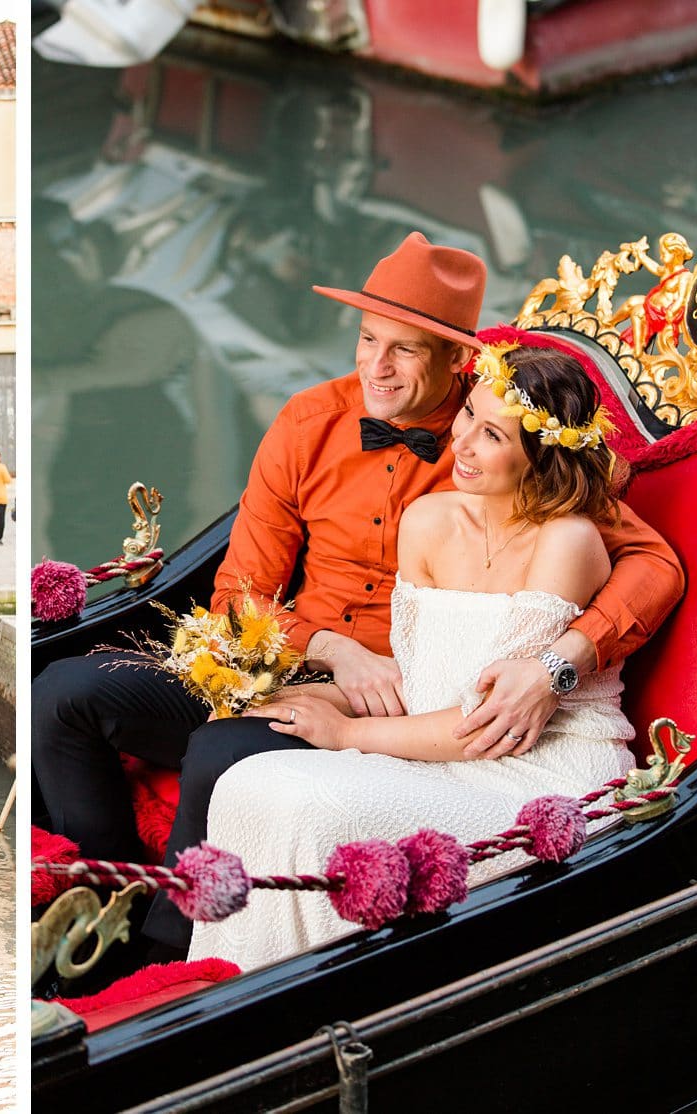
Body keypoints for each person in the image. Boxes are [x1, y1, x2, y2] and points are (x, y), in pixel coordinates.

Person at [31, 232, 684, 960]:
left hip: (403, 696)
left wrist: (560, 662)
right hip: (284, 656)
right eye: (369, 339)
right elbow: (239, 594)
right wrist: (332, 651)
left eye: (405, 350)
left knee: (223, 754)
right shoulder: (308, 424)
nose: (378, 366)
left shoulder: (506, 449)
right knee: (63, 691)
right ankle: (105, 900)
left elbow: (653, 565)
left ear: (459, 363)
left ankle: (157, 957)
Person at [192, 329, 661, 967]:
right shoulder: (429, 520)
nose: (461, 442)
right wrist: (306, 696)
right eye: (469, 414)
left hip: (544, 769)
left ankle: (315, 1003)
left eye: (493, 435)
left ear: (540, 458)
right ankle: (230, 987)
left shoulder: (568, 543)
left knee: (302, 805)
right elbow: (425, 676)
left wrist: (341, 735)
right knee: (249, 782)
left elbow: (491, 726)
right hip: (444, 744)